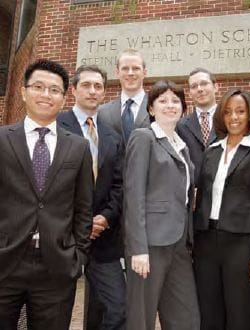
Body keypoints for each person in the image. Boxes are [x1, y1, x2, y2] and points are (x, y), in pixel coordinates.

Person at [0, 59, 93, 329]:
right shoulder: (3, 139)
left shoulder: (78, 147)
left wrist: (78, 256)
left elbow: (83, 207)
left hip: (57, 265)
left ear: (64, 98)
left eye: (54, 90)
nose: (45, 94)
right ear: (23, 92)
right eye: (38, 87)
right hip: (5, 261)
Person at [193, 88, 250, 330]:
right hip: (207, 242)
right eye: (228, 112)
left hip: (242, 244)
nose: (234, 117)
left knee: (242, 314)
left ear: (249, 115)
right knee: (209, 314)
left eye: (240, 111)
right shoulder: (212, 150)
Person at [123, 80, 200, 330]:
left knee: (186, 317)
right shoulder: (143, 137)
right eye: (163, 100)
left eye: (176, 101)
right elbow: (133, 195)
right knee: (142, 318)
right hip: (150, 244)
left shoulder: (182, 145)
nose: (170, 105)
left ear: (183, 107)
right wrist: (138, 248)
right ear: (151, 109)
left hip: (179, 244)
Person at [57, 65, 126, 329]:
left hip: (102, 239)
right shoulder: (56, 125)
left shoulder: (112, 135)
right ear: (73, 89)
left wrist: (105, 218)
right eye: (86, 85)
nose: (93, 90)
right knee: (55, 313)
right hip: (63, 236)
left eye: (98, 86)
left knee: (118, 308)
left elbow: (119, 185)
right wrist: (81, 221)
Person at [176, 67, 218, 185]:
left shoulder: (229, 120)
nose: (199, 89)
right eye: (194, 86)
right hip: (194, 195)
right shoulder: (180, 125)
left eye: (204, 83)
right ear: (190, 93)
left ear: (216, 87)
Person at [99, 49, 150, 144]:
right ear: (117, 73)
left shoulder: (157, 108)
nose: (130, 73)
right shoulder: (102, 112)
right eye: (125, 68)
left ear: (144, 72)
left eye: (136, 68)